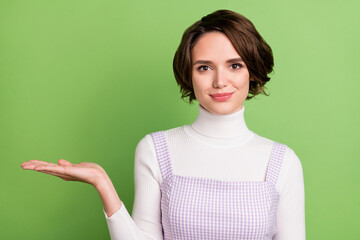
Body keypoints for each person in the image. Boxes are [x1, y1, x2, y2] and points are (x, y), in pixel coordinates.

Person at [21, 9, 305, 240]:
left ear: (252, 71)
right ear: (189, 74)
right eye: (204, 67)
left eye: (235, 65)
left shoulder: (281, 162)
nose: (220, 81)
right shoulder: (156, 149)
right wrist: (102, 183)